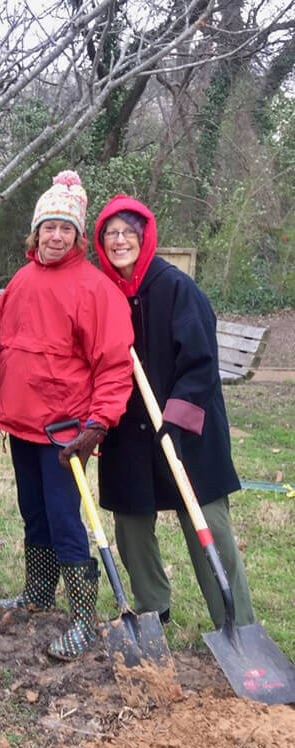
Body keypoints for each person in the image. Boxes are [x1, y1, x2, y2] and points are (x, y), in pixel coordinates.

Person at [0, 171, 134, 659]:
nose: (55, 236)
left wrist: (98, 424)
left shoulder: (94, 289)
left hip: (65, 431)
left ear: (78, 236)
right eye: (48, 226)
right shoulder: (22, 281)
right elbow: (8, 341)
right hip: (22, 424)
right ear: (35, 230)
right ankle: (39, 593)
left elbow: (113, 363)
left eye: (65, 229)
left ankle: (84, 618)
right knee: (35, 514)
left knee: (67, 519)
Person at [93, 195, 256, 628]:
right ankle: (152, 608)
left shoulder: (176, 288)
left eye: (128, 232)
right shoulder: (104, 293)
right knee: (130, 522)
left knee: (208, 524)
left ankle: (235, 620)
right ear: (101, 241)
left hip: (185, 430)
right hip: (127, 430)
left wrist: (175, 421)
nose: (120, 240)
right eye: (111, 233)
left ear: (144, 238)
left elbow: (201, 364)